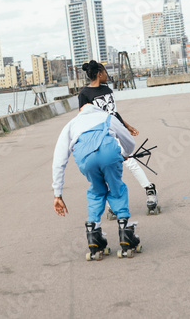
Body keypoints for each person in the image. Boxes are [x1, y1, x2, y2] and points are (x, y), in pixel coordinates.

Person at [52, 103, 141, 260]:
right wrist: (125, 154)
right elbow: (129, 140)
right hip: (109, 153)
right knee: (117, 189)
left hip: (85, 158)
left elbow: (59, 160)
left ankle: (94, 236)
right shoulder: (107, 117)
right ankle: (126, 234)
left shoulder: (71, 124)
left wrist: (57, 194)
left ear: (80, 111)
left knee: (96, 191)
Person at [79, 60, 158, 216]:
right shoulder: (84, 94)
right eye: (105, 72)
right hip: (101, 136)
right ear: (99, 74)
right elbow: (83, 119)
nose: (107, 75)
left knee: (126, 161)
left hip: (117, 131)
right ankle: (145, 189)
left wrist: (127, 126)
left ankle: (148, 189)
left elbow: (113, 113)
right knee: (111, 166)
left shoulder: (107, 89)